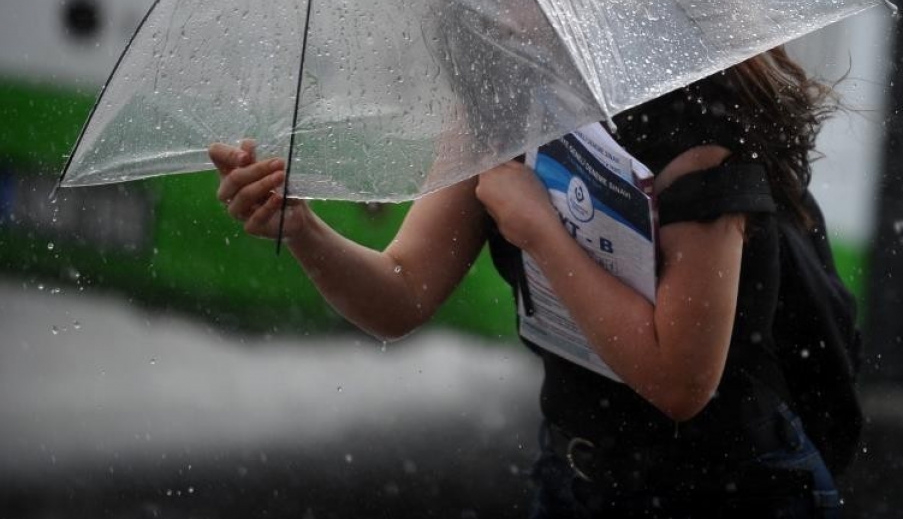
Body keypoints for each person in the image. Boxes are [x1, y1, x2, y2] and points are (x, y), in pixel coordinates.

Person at [209, 46, 845, 518]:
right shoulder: (502, 97)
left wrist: (540, 228)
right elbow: (401, 292)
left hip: (726, 491)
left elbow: (680, 382)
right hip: (577, 478)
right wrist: (303, 231)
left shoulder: (699, 125)